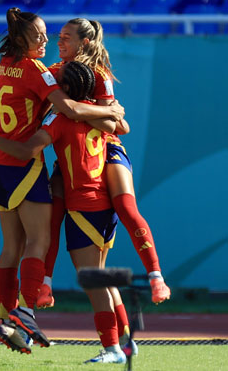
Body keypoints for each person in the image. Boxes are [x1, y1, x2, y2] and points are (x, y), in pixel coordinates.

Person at [0, 7, 124, 354]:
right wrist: (111, 110)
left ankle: (8, 320)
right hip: (23, 165)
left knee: (11, 248)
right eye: (40, 35)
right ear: (23, 38)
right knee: (40, 241)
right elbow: (74, 110)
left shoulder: (6, 61)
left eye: (53, 35)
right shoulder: (38, 71)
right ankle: (26, 314)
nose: (47, 40)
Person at [37, 18, 170, 311]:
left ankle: (156, 276)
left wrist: (74, 111)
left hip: (106, 148)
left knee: (126, 208)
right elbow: (100, 114)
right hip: (70, 154)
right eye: (58, 36)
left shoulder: (98, 74)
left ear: (84, 42)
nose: (59, 42)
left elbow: (118, 125)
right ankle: (45, 283)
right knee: (53, 217)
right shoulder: (51, 73)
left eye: (66, 37)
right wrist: (89, 112)